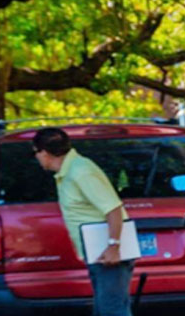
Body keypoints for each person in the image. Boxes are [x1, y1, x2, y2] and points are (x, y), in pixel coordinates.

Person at [32, 128, 134, 316]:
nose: (36, 158)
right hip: (98, 254)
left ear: (44, 153)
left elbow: (113, 209)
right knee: (105, 310)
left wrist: (113, 246)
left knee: (112, 310)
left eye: (35, 152)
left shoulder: (81, 172)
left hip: (109, 255)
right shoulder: (69, 171)